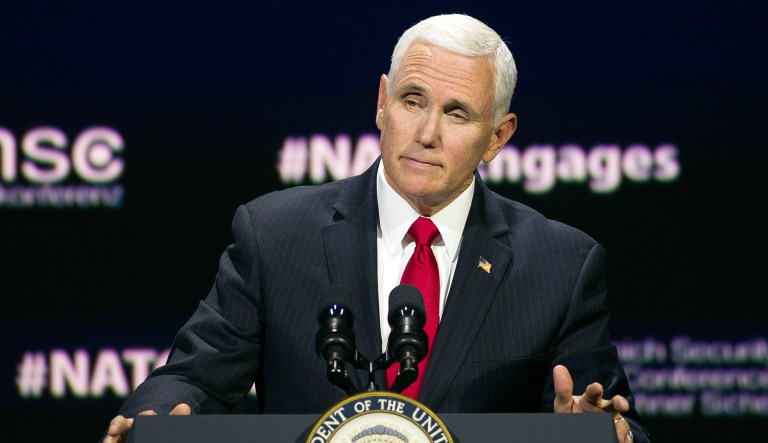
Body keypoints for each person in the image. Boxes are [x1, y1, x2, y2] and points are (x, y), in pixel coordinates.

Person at [104, 13, 649, 442]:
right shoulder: (274, 235)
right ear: (382, 103)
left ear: (498, 137)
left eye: (457, 114)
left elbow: (611, 419)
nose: (427, 132)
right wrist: (151, 423)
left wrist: (598, 430)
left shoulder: (559, 265)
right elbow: (194, 378)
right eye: (413, 101)